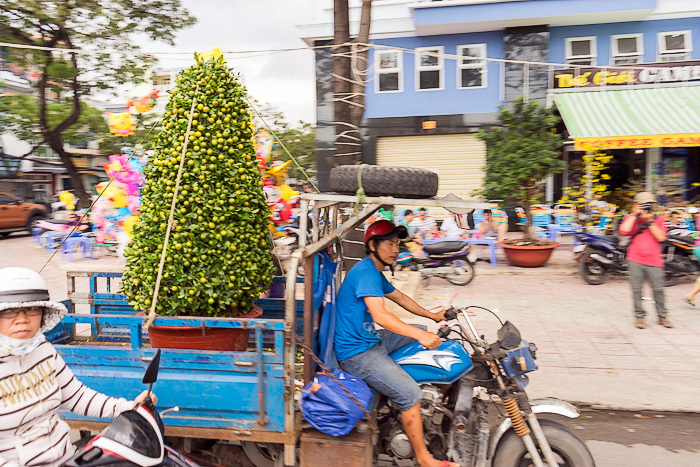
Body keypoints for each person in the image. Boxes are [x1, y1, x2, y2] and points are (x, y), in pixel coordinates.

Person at [0, 267, 155, 467]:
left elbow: (77, 396)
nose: (22, 319)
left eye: (31, 309)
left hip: (67, 459)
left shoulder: (43, 349)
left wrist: (128, 408)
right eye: (9, 311)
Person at [334, 221, 459, 467]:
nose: (395, 249)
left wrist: (433, 316)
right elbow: (380, 316)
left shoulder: (374, 272)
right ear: (372, 245)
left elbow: (400, 298)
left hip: (371, 340)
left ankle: (433, 407)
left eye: (397, 244)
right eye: (390, 244)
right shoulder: (366, 273)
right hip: (357, 353)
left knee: (424, 333)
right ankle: (424, 459)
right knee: (411, 394)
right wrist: (419, 335)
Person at [618, 192, 672, 329]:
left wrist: (649, 222)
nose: (646, 207)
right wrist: (635, 215)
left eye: (649, 204)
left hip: (655, 260)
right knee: (637, 290)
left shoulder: (658, 219)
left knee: (658, 289)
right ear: (636, 205)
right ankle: (639, 317)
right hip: (635, 259)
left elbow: (661, 238)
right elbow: (623, 231)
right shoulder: (631, 218)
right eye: (643, 204)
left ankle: (662, 316)